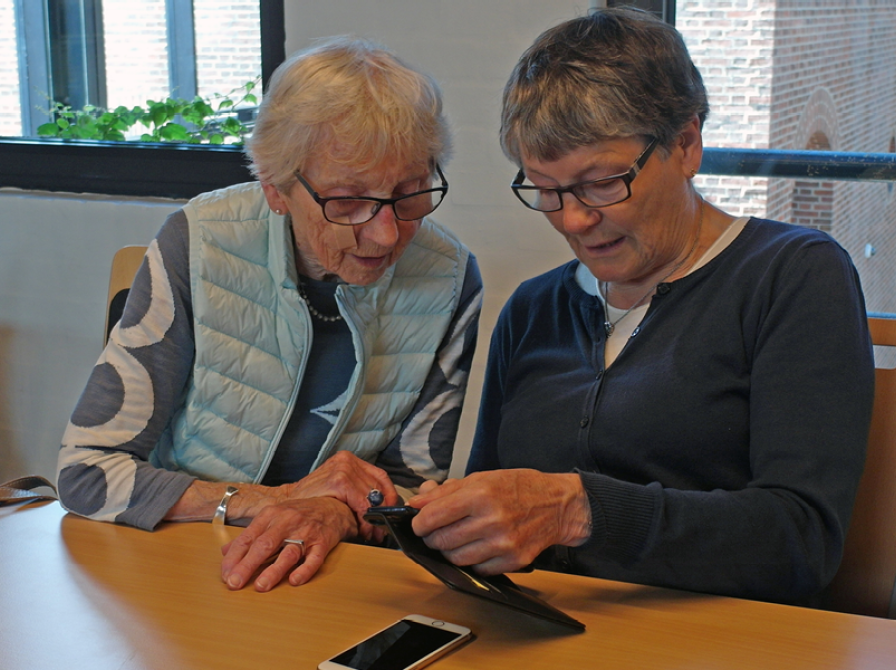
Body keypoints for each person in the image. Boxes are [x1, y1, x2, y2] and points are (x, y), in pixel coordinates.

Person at [408, 8, 874, 606]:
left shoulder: (792, 275)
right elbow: (492, 509)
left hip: (719, 638)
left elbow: (800, 542)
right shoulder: (533, 308)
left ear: (686, 144)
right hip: (536, 630)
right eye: (546, 190)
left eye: (603, 182)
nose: (573, 220)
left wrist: (580, 511)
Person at [56, 37, 482, 593]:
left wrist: (334, 512)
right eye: (347, 201)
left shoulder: (450, 279)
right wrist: (275, 501)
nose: (385, 235)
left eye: (409, 193)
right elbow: (87, 473)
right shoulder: (200, 244)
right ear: (276, 189)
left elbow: (410, 495)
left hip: (333, 573)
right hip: (177, 562)